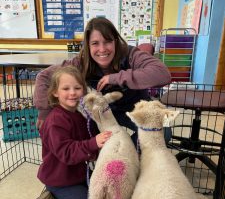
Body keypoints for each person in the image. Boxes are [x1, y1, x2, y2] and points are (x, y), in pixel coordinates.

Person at [34, 17, 171, 144]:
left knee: (163, 132)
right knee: (81, 132)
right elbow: (44, 76)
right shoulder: (81, 62)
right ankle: (106, 161)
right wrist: (44, 111)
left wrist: (116, 78)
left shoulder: (130, 54)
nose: (102, 49)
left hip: (136, 108)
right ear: (88, 45)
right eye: (95, 43)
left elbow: (163, 73)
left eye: (107, 42)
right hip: (103, 110)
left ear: (115, 41)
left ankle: (129, 154)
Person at [25, 66, 111, 199]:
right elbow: (67, 153)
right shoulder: (55, 121)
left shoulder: (77, 115)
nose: (72, 93)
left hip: (76, 174)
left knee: (106, 198)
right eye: (66, 88)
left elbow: (87, 138)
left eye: (77, 88)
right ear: (55, 93)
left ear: (83, 91)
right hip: (60, 181)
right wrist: (93, 143)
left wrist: (100, 146)